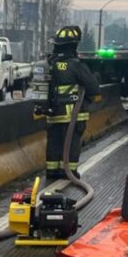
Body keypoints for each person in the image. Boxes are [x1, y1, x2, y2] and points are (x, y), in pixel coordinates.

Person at [41, 25, 100, 180]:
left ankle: (52, 171)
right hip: (72, 115)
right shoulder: (76, 65)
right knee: (72, 143)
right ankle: (69, 172)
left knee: (54, 141)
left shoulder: (48, 63)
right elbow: (93, 89)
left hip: (52, 114)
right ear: (73, 45)